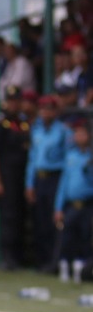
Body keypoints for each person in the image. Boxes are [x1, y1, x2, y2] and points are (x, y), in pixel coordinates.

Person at [25, 95, 69, 273]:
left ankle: (55, 262)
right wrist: (29, 184)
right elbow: (32, 159)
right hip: (39, 179)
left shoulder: (63, 132)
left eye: (49, 109)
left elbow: (67, 161)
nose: (45, 113)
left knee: (54, 221)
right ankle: (42, 261)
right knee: (40, 221)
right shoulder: (36, 130)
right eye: (43, 109)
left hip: (55, 177)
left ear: (55, 112)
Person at [0, 85, 31, 270]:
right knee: (9, 217)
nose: (15, 104)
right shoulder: (0, 124)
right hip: (7, 177)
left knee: (21, 216)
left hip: (22, 176)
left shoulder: (23, 123)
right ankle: (7, 257)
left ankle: (20, 257)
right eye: (12, 100)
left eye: (17, 100)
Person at [54, 119, 93, 283]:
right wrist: (58, 207)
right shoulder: (71, 156)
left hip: (86, 206)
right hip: (71, 206)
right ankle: (64, 267)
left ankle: (82, 270)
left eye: (82, 134)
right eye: (77, 133)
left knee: (85, 238)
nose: (79, 137)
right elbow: (63, 184)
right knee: (67, 237)